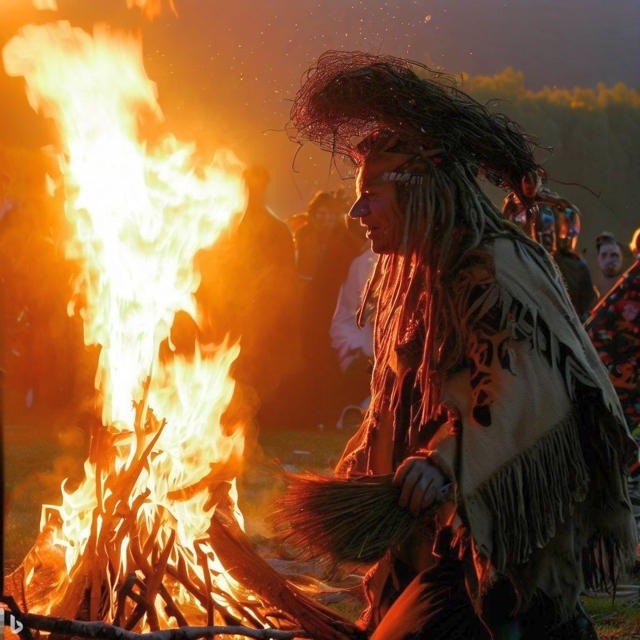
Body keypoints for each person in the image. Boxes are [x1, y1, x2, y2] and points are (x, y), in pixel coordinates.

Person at [288, 51, 636, 639]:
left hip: (498, 566)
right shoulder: (426, 279)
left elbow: (523, 385)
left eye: (370, 194)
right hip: (443, 552)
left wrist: (446, 462)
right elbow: (403, 399)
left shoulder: (495, 266)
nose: (356, 211)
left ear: (418, 191)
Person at [594, 231, 624, 302]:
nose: (608, 260)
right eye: (603, 256)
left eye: (614, 255)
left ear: (621, 258)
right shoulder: (591, 296)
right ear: (598, 258)